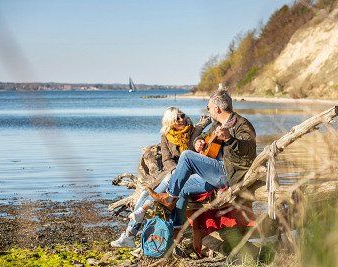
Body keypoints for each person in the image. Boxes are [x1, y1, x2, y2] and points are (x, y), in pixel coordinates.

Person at [148, 90, 257, 232]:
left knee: (186, 156)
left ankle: (170, 197)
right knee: (183, 186)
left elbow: (249, 150)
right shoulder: (217, 124)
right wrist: (199, 142)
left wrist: (230, 139)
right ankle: (177, 227)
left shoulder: (242, 124)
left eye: (208, 107)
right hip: (216, 173)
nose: (208, 110)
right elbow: (204, 136)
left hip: (231, 173)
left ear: (217, 108)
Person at [110, 107, 210, 248]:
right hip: (171, 172)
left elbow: (200, 149)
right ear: (170, 122)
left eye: (182, 115)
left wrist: (199, 145)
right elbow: (166, 159)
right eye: (177, 118)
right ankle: (129, 235)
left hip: (191, 173)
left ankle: (132, 231)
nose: (181, 119)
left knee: (156, 190)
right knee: (145, 193)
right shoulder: (166, 136)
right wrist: (175, 170)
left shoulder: (193, 131)